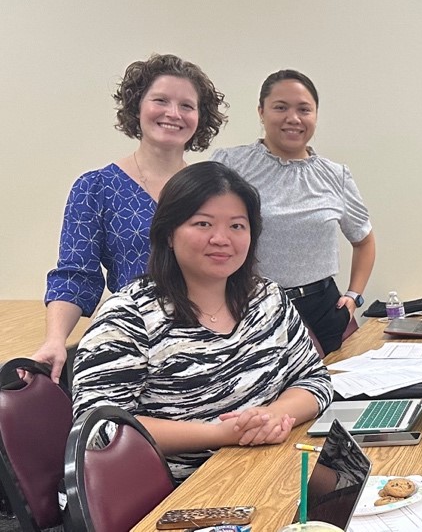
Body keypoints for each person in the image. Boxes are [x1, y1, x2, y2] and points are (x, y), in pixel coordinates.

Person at [70, 162, 333, 481]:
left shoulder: (268, 298)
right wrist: (219, 434)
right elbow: (98, 430)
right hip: (176, 490)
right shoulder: (129, 315)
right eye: (203, 223)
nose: (221, 238)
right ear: (169, 233)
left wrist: (272, 415)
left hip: (265, 468)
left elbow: (315, 379)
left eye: (237, 226)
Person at [32, 54, 227, 382]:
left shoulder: (215, 190)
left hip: (208, 343)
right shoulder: (96, 187)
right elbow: (76, 276)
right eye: (160, 100)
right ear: (137, 106)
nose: (173, 113)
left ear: (200, 117)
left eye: (186, 105)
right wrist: (55, 340)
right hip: (133, 342)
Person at [213, 70, 376, 354]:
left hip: (325, 309)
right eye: (280, 107)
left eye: (304, 109)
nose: (293, 118)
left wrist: (354, 296)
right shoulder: (231, 164)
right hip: (254, 307)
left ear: (316, 115)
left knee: (338, 380)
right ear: (261, 112)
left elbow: (364, 241)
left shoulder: (335, 175)